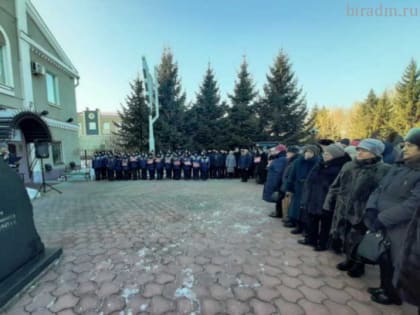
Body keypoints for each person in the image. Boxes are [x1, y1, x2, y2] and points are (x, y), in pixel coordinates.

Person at [364, 128, 420, 305]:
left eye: (410, 145)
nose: (404, 148)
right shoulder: (398, 167)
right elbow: (380, 188)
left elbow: (413, 205)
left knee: (395, 260)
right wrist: (372, 208)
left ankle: (393, 295)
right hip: (383, 221)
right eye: (404, 145)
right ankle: (384, 287)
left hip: (401, 228)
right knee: (383, 257)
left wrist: (383, 218)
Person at [324, 139, 390, 278]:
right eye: (359, 149)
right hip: (343, 208)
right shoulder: (349, 165)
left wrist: (373, 212)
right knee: (346, 236)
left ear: (374, 153)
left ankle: (359, 265)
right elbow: (336, 185)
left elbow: (383, 194)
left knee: (359, 239)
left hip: (364, 211)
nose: (359, 152)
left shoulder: (384, 170)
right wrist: (330, 202)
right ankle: (349, 259)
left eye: (364, 150)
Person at [299, 144, 351, 250]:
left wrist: (331, 199)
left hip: (327, 200)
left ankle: (322, 243)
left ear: (335, 155)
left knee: (325, 224)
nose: (324, 155)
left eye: (328, 154)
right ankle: (311, 239)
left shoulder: (339, 168)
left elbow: (339, 187)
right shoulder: (321, 164)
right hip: (314, 197)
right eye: (324, 153)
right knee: (312, 219)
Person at [285, 145, 321, 234]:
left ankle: (305, 228)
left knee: (306, 209)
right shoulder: (298, 162)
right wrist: (289, 187)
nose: (308, 154)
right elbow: (292, 175)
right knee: (296, 208)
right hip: (298, 188)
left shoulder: (318, 163)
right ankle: (298, 226)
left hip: (310, 190)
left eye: (311, 152)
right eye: (306, 151)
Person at [262, 145, 288, 218]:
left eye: (275, 150)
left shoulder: (280, 160)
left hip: (277, 183)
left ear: (279, 151)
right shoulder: (281, 159)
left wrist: (275, 186)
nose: (274, 152)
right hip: (279, 183)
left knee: (278, 198)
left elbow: (277, 174)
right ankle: (279, 212)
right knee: (279, 198)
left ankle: (279, 213)